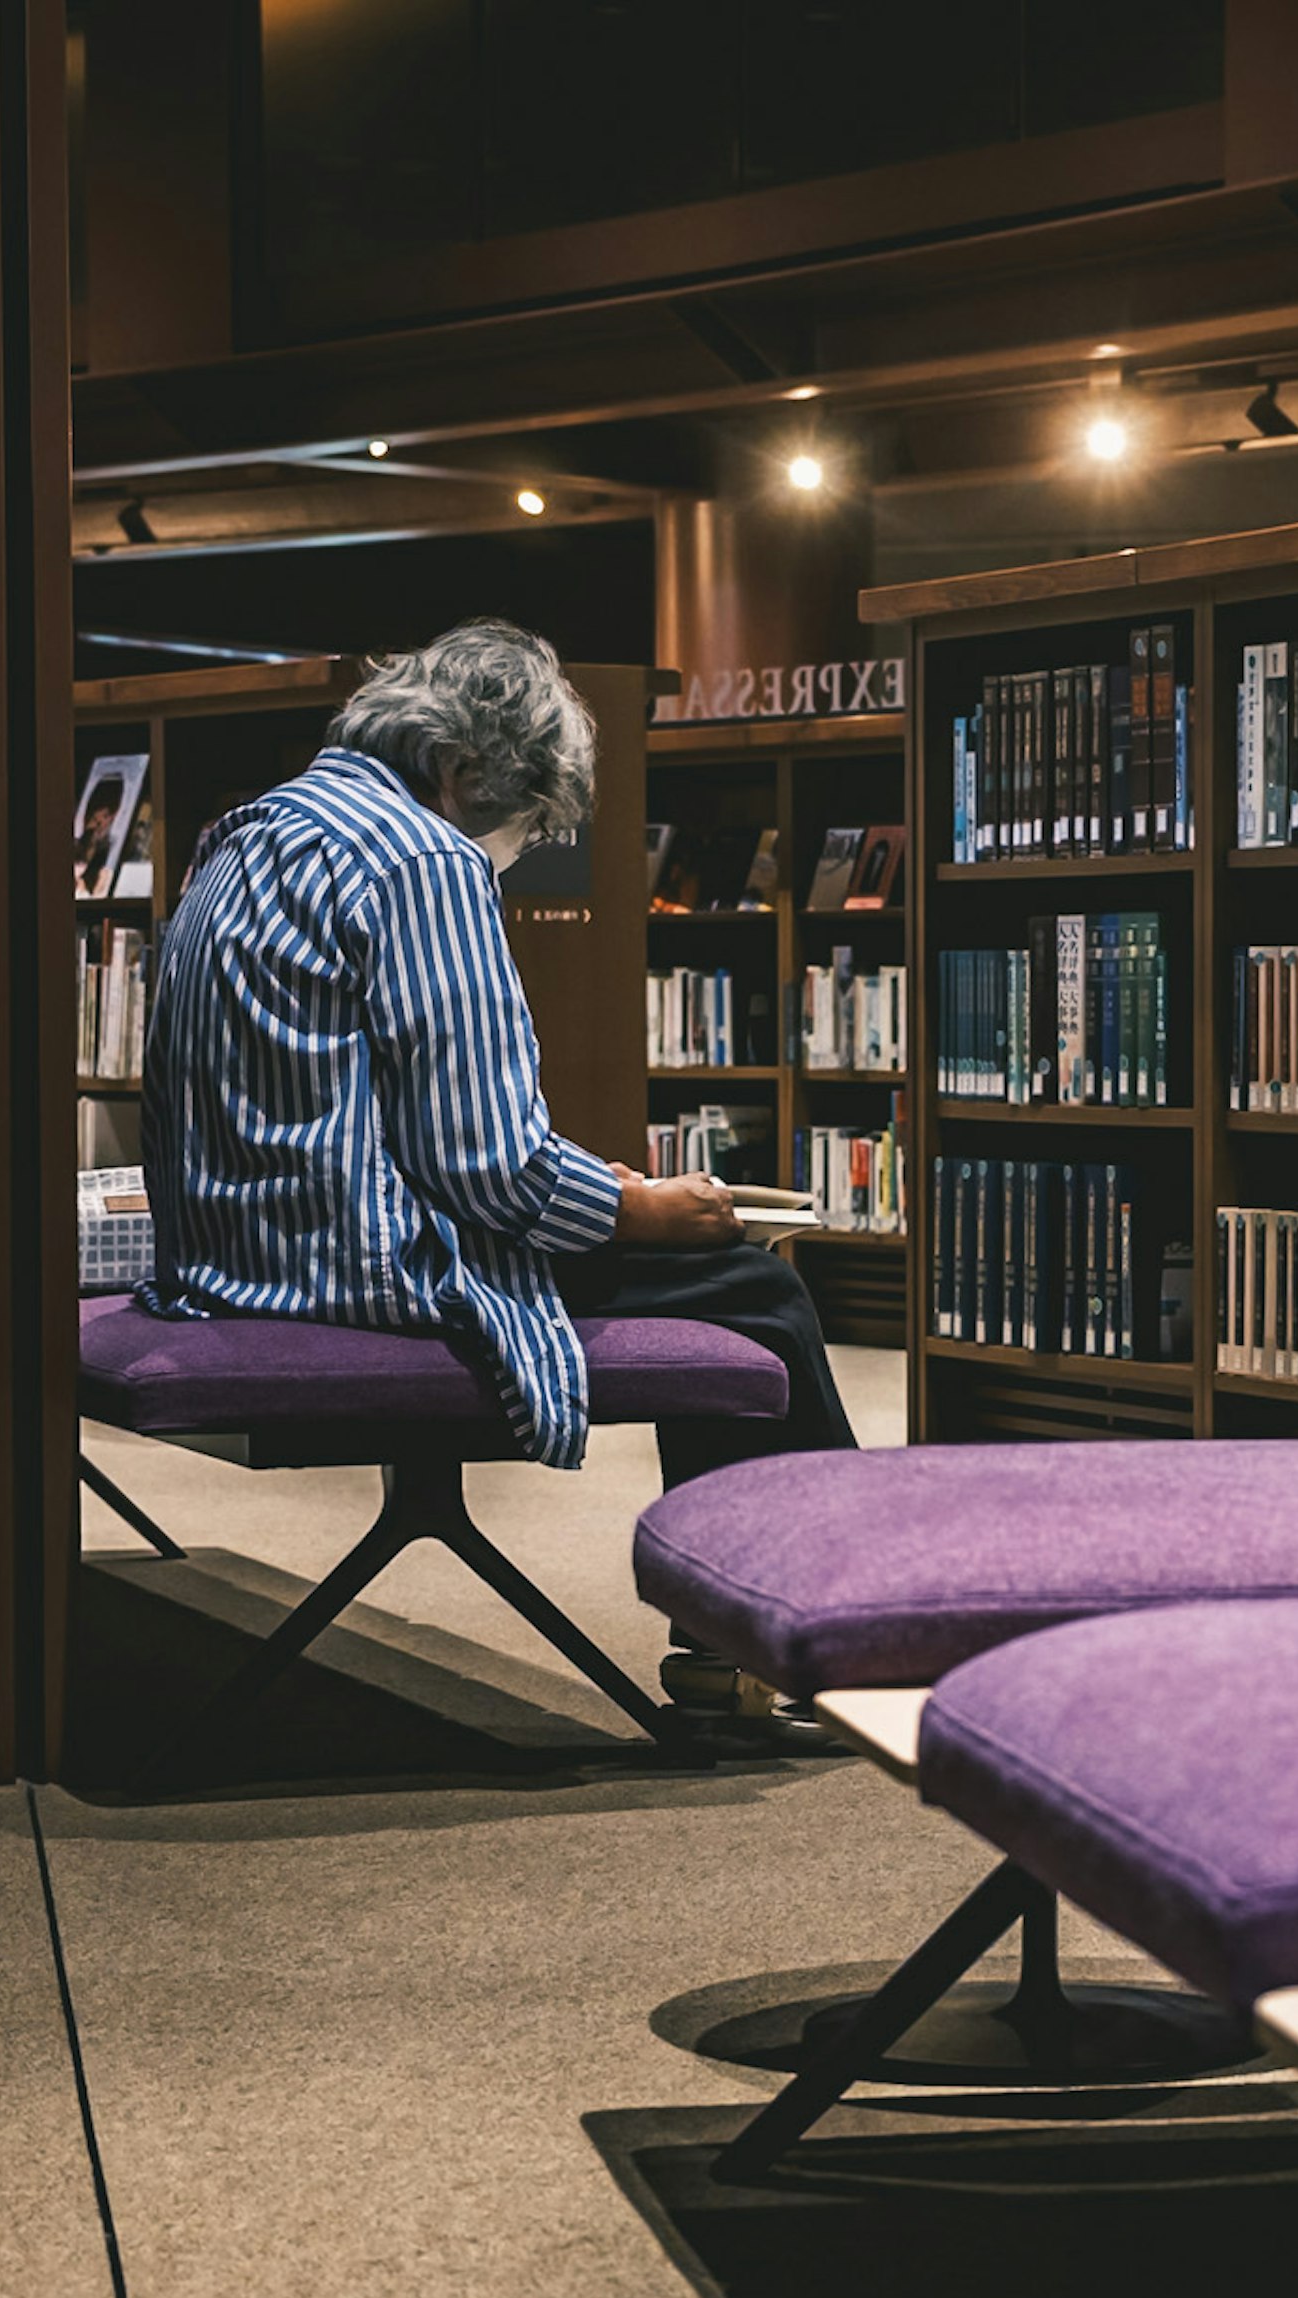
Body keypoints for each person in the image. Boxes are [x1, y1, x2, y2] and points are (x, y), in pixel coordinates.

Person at [135, 619, 855, 1711]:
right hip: (358, 1271)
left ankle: (763, 1638)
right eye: (521, 826)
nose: (513, 855)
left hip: (231, 1255)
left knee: (700, 1269)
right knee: (752, 1288)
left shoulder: (248, 831)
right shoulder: (422, 860)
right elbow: (490, 1170)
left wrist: (604, 1195)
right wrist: (647, 1213)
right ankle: (801, 1641)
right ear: (463, 771)